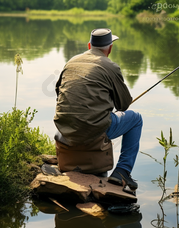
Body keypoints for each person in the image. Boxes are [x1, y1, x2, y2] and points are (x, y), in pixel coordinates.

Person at [54, 28, 142, 190]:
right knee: (135, 119)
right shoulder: (111, 66)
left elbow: (58, 92)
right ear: (110, 48)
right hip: (94, 128)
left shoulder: (71, 61)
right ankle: (122, 172)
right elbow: (123, 105)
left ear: (89, 45)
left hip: (64, 128)